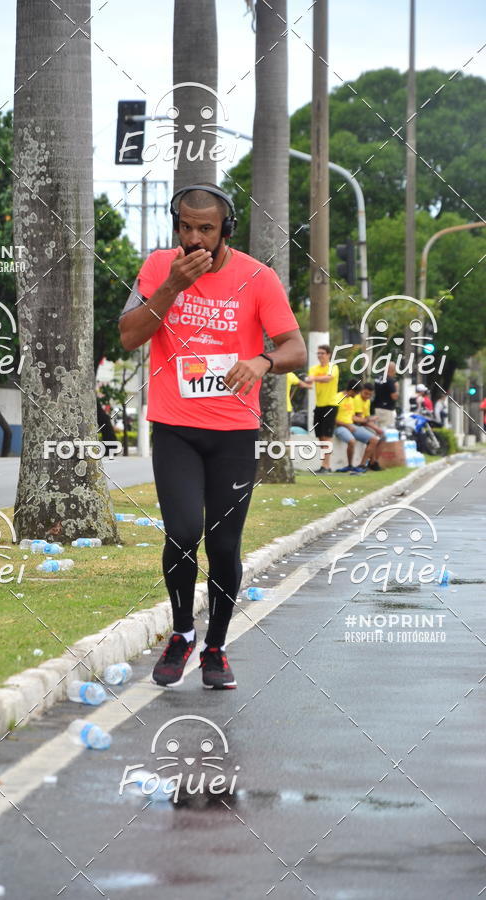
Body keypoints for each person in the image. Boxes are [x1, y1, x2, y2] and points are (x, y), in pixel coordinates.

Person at [118, 183, 306, 690]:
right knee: (182, 534)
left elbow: (296, 349)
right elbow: (130, 334)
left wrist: (261, 360)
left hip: (232, 434)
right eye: (185, 227)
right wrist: (171, 288)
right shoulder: (160, 268)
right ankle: (181, 633)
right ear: (174, 225)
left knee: (224, 547)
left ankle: (216, 648)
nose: (195, 238)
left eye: (206, 228)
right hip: (176, 428)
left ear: (227, 228)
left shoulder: (258, 278)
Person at [334, 380, 381, 473]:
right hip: (340, 426)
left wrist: (368, 420)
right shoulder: (337, 398)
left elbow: (352, 417)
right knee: (352, 441)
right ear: (352, 391)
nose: (356, 396)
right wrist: (347, 425)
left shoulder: (351, 400)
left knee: (374, 439)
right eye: (356, 393)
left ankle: (362, 465)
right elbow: (332, 419)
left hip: (351, 426)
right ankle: (350, 465)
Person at [306, 345, 339, 473]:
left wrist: (313, 378)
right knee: (320, 436)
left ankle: (326, 465)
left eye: (323, 353)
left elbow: (328, 378)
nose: (320, 355)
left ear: (328, 354)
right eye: (318, 353)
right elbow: (309, 383)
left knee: (327, 436)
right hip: (319, 405)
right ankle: (323, 465)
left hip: (331, 405)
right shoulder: (313, 369)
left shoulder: (332, 367)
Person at [353, 383, 384, 470]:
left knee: (381, 437)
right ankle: (363, 464)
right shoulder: (357, 399)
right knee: (374, 438)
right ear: (361, 391)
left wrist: (373, 423)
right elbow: (361, 420)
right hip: (356, 424)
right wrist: (376, 428)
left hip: (364, 423)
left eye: (370, 394)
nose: (367, 396)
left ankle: (373, 461)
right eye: (365, 393)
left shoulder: (367, 401)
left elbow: (366, 418)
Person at [373, 362, 398, 428]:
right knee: (386, 431)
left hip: (377, 408)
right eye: (395, 370)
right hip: (387, 409)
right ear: (391, 370)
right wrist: (396, 388)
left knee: (378, 429)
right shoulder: (390, 380)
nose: (395, 372)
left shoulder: (377, 378)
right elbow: (394, 397)